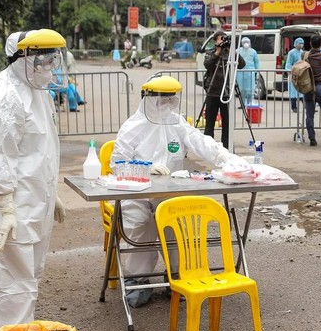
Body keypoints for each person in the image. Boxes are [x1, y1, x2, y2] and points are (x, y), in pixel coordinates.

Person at [111, 75, 249, 307]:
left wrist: (227, 159)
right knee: (140, 226)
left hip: (171, 192)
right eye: (160, 99)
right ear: (147, 98)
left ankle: (178, 277)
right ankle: (138, 280)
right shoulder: (133, 127)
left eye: (170, 98)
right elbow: (117, 163)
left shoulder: (177, 123)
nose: (166, 104)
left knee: (178, 228)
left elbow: (202, 143)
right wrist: (146, 169)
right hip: (138, 192)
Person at [0, 29, 68, 331]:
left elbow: (38, 152)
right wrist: (7, 207)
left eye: (53, 58)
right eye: (43, 59)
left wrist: (53, 194)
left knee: (26, 275)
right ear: (21, 58)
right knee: (9, 276)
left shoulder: (37, 90)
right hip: (8, 206)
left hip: (32, 201)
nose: (50, 66)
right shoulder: (3, 100)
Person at [203, 30, 245, 149]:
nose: (223, 41)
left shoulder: (230, 53)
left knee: (227, 123)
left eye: (224, 39)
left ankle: (226, 147)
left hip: (227, 92)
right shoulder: (211, 53)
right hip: (213, 91)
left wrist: (233, 50)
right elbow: (208, 65)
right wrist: (217, 52)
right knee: (209, 123)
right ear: (215, 41)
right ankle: (208, 148)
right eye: (221, 39)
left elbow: (242, 64)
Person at [236, 37, 260, 106]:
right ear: (241, 43)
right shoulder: (237, 51)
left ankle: (250, 103)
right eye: (244, 42)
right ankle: (242, 104)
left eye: (247, 42)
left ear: (249, 43)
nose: (246, 44)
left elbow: (256, 62)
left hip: (250, 73)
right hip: (240, 73)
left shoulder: (253, 52)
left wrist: (257, 71)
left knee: (250, 90)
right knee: (241, 89)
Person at [285, 38, 305, 112]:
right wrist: (290, 71)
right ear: (296, 44)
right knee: (293, 90)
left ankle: (306, 106)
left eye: (302, 43)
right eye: (300, 43)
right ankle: (294, 107)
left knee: (302, 90)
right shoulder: (291, 52)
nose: (301, 45)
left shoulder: (302, 52)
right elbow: (288, 63)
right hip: (293, 73)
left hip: (301, 73)